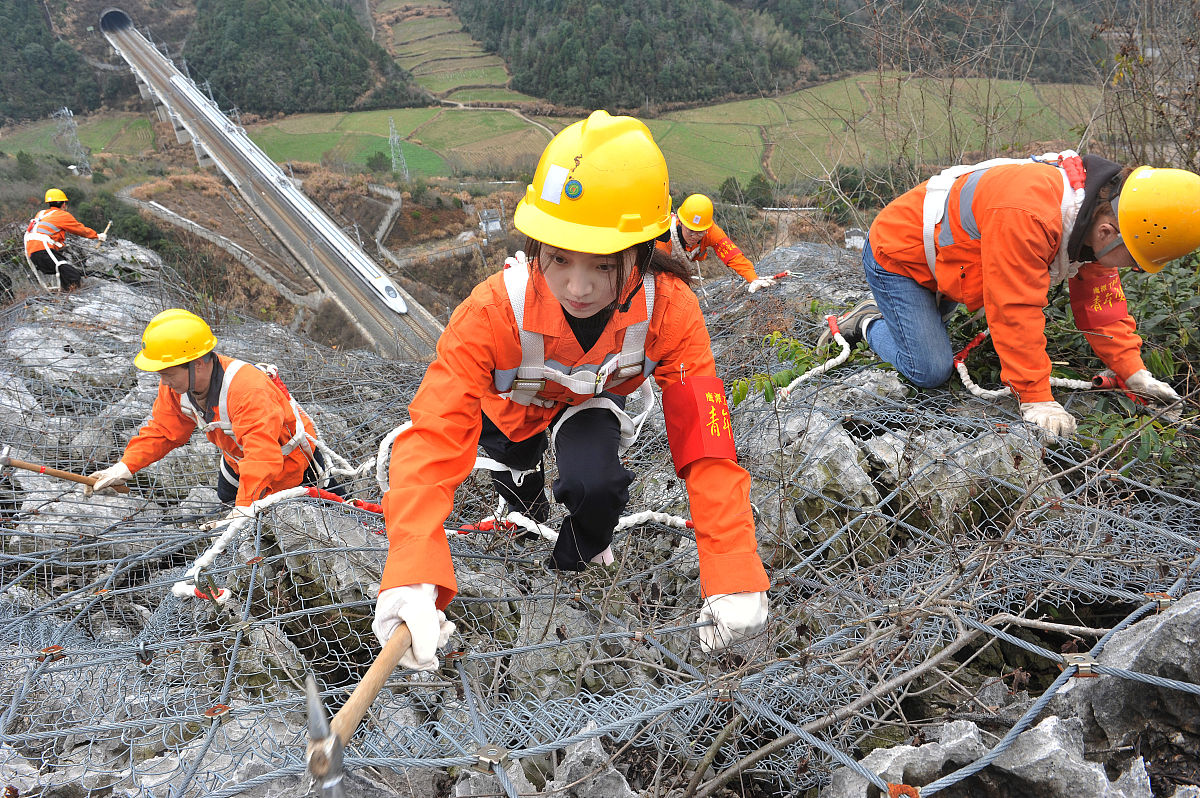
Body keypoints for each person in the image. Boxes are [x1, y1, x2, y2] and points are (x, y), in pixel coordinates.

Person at [372, 111, 771, 671]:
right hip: (510, 414)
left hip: (588, 404)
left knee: (596, 487)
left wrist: (734, 572)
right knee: (520, 487)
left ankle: (574, 561)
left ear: (641, 251)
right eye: (558, 259)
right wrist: (412, 574)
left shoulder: (670, 309)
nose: (578, 288)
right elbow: (435, 433)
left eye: (603, 266)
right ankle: (525, 512)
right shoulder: (491, 311)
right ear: (537, 243)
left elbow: (707, 443)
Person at [819, 154, 1200, 435]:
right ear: (1107, 232)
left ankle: (899, 314)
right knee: (930, 369)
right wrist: (1036, 398)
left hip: (950, 262)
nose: (1133, 268)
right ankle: (867, 321)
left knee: (930, 339)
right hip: (899, 256)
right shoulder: (1029, 215)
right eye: (1134, 259)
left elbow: (1102, 306)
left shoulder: (1097, 211)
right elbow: (1014, 309)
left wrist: (1134, 372)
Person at [87, 309, 341, 520]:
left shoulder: (248, 391)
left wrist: (245, 506)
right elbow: (163, 431)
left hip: (292, 467)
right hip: (237, 461)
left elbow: (262, 455)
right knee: (232, 505)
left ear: (197, 364)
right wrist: (125, 466)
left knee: (327, 517)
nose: (163, 382)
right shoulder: (178, 386)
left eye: (167, 373)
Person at [656, 193, 773, 292]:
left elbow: (732, 255)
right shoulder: (665, 237)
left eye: (700, 233)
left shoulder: (711, 231)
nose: (695, 236)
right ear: (681, 222)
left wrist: (753, 278)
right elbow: (656, 268)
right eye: (691, 231)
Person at [24, 188, 105, 291]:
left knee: (64, 272)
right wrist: (97, 236)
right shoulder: (62, 215)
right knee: (72, 276)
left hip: (32, 253)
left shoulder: (40, 213)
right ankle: (71, 296)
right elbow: (80, 230)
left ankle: (64, 293)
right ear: (63, 204)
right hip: (43, 251)